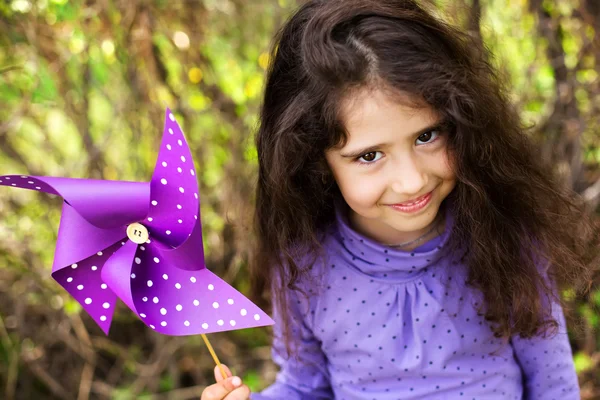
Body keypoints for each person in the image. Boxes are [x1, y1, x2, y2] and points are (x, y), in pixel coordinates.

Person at [201, 0, 598, 399]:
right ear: (313, 161)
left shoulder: (503, 236)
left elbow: (553, 385)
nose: (411, 182)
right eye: (369, 156)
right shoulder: (305, 266)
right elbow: (305, 387)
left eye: (427, 136)